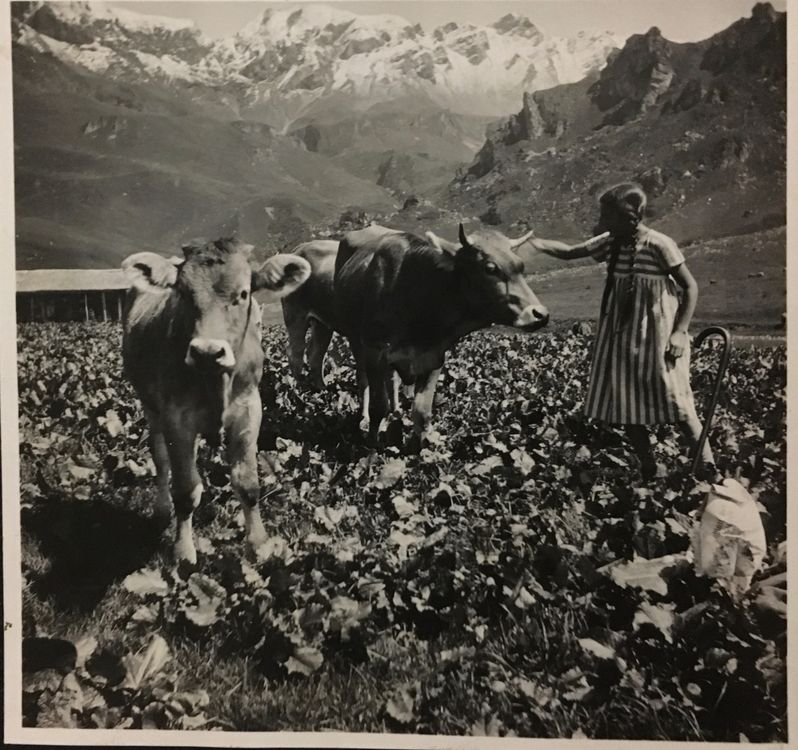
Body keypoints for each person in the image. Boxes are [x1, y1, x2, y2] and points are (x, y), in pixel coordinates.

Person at [527, 182, 714, 478]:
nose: (602, 224)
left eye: (608, 217)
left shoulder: (659, 245)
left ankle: (708, 468)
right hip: (621, 337)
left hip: (658, 337)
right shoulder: (612, 241)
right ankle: (649, 467)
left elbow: (690, 286)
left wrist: (681, 331)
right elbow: (570, 252)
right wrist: (533, 243)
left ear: (631, 217)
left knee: (677, 400)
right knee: (626, 403)